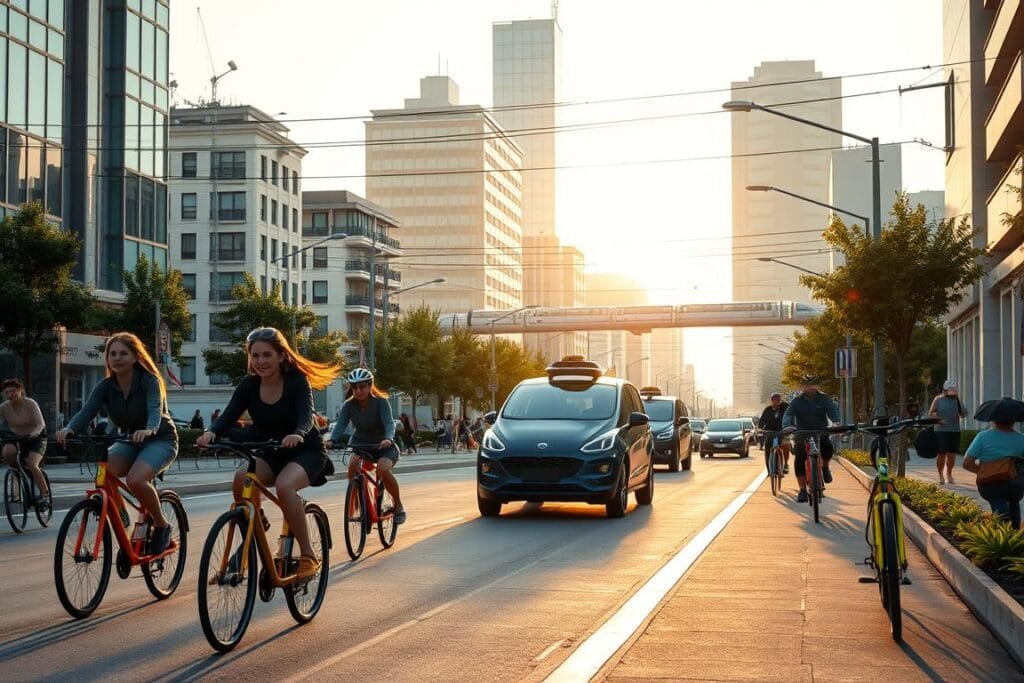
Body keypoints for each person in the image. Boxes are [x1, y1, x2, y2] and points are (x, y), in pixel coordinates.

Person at [196, 327, 340, 580]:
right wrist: (211, 433)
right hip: (272, 450)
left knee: (285, 487)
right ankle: (257, 521)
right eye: (255, 356)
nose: (260, 362)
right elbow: (229, 415)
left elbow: (307, 416)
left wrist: (297, 433)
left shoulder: (296, 380)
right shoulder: (249, 385)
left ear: (281, 356)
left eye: (267, 355)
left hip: (305, 449)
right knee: (242, 479)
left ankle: (307, 556)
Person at [56, 333, 178, 554]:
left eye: (123, 353)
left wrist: (149, 428)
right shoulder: (106, 385)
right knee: (105, 472)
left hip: (161, 438)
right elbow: (87, 411)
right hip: (131, 439)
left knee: (135, 479)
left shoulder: (149, 380)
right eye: (112, 353)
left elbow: (154, 409)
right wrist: (69, 428)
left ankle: (162, 525)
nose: (117, 358)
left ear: (134, 357)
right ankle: (126, 523)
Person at [326, 368, 406, 525]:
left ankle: (398, 505)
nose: (358, 390)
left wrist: (388, 438)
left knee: (383, 469)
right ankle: (356, 504)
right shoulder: (348, 406)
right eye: (354, 387)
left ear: (370, 386)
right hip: (361, 444)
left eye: (362, 386)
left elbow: (389, 423)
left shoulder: (381, 402)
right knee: (353, 465)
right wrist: (331, 440)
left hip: (384, 446)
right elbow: (341, 425)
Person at [783, 376, 841, 502]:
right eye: (806, 385)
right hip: (802, 432)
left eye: (812, 385)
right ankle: (802, 490)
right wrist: (787, 426)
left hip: (821, 431)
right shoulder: (796, 401)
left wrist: (836, 422)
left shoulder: (824, 399)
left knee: (827, 447)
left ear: (816, 387)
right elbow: (788, 414)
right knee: (799, 457)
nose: (809, 388)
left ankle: (825, 467)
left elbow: (833, 411)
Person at [964, 421, 1024, 528]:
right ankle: (1015, 534)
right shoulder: (1021, 438)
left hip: (991, 483)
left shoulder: (983, 436)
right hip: (1015, 481)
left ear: (993, 419)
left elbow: (967, 463)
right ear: (1014, 420)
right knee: (1014, 502)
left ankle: (1003, 535)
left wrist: (983, 472)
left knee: (998, 503)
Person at [0, 379, 50, 508]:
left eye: (13, 391)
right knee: (7, 452)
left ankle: (45, 495)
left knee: (32, 464)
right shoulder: (4, 407)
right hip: (17, 438)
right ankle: (18, 472)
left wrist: (36, 432)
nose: (10, 394)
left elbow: (41, 423)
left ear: (20, 391)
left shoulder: (30, 404)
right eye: (7, 392)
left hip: (35, 438)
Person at [929, 380, 967, 485]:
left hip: (954, 430)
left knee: (951, 454)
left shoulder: (957, 400)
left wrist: (961, 413)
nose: (952, 392)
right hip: (941, 431)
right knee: (941, 453)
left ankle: (949, 474)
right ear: (945, 390)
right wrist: (939, 420)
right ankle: (940, 475)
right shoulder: (938, 399)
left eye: (953, 390)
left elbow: (964, 414)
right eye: (950, 390)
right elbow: (931, 413)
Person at [758, 392, 791, 475]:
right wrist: (760, 429)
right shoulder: (768, 409)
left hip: (783, 431)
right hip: (769, 431)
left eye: (778, 400)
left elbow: (790, 413)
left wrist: (790, 428)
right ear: (771, 400)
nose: (776, 401)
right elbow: (762, 420)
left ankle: (785, 464)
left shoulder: (784, 407)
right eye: (774, 400)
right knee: (768, 449)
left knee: (785, 445)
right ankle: (769, 470)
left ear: (780, 400)